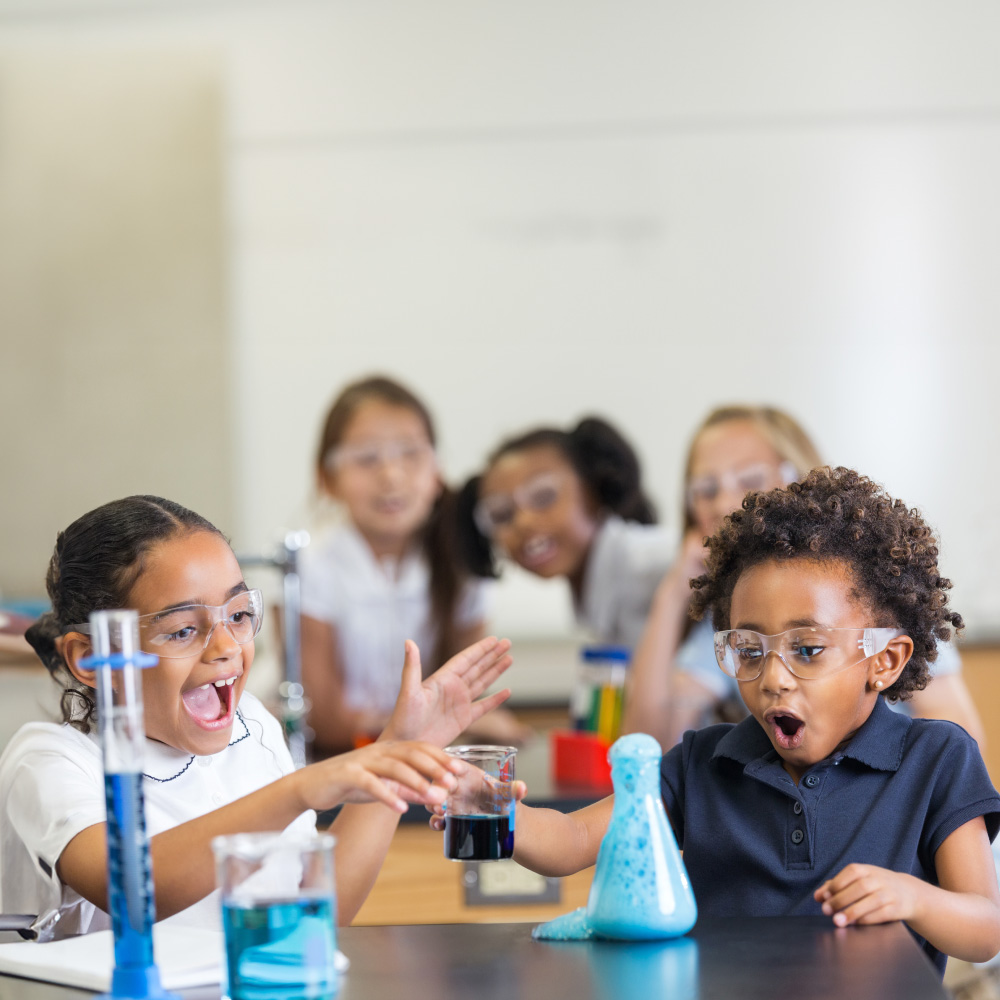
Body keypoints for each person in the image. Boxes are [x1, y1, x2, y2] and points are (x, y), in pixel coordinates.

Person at [452, 468, 1000, 973]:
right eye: (750, 649)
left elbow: (985, 929)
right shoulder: (701, 763)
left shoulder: (936, 760)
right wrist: (494, 807)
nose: (773, 678)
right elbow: (570, 839)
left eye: (807, 649)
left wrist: (915, 898)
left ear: (883, 661)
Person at [0, 495, 513, 938]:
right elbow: (131, 890)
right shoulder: (49, 760)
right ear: (89, 658)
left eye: (239, 615)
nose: (226, 647)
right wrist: (300, 789)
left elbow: (321, 913)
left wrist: (396, 748)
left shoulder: (252, 729)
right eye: (182, 629)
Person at [623, 405, 985, 751]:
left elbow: (959, 741)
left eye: (748, 479)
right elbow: (648, 747)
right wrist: (672, 595)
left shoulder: (878, 594)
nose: (721, 504)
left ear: (798, 480)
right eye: (705, 490)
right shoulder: (731, 617)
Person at [299, 375, 525, 751]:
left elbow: (468, 695)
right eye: (366, 458)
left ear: (436, 470)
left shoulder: (463, 559)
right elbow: (326, 722)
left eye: (410, 453)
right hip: (336, 761)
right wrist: (428, 723)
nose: (391, 475)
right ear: (327, 479)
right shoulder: (310, 564)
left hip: (424, 761)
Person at [457, 417, 671, 649]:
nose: (523, 522)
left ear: (594, 488)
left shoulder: (657, 564)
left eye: (543, 497)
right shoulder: (591, 590)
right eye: (501, 515)